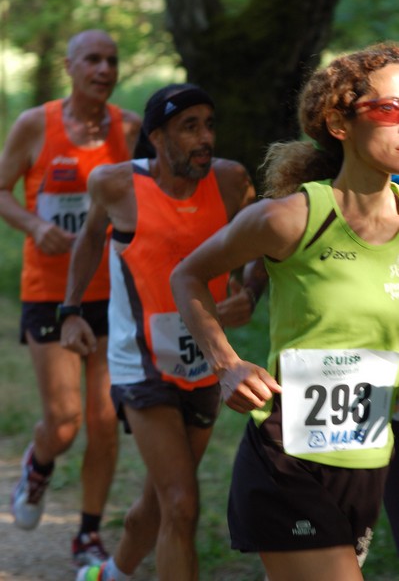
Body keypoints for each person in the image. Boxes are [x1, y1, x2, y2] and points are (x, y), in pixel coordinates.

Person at [170, 43, 399, 581]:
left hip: (368, 460)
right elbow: (188, 275)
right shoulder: (290, 219)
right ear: (339, 123)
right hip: (289, 460)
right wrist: (226, 364)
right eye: (391, 109)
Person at [58, 82, 258, 581]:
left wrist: (249, 293)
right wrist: (71, 310)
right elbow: (87, 242)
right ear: (156, 137)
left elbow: (264, 242)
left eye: (209, 125)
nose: (204, 138)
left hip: (208, 360)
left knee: (162, 500)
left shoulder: (232, 181)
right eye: (189, 127)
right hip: (140, 360)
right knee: (181, 503)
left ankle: (110, 574)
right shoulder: (116, 184)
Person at [0, 29, 142, 566]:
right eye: (93, 59)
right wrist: (35, 226)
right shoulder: (36, 123)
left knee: (105, 420)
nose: (104, 69)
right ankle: (38, 466)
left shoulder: (130, 128)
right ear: (70, 66)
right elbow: (1, 190)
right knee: (64, 421)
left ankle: (87, 532)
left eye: (112, 59)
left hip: (113, 292)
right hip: (50, 291)